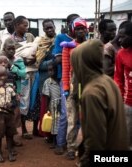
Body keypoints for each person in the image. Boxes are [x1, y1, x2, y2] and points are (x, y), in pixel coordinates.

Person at [71, 39, 129, 166]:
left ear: (82, 64)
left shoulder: (92, 92)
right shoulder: (107, 81)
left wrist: (88, 159)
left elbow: (95, 138)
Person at [52, 13, 79, 155]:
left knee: (77, 114)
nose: (79, 27)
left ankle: (72, 143)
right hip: (65, 78)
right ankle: (60, 143)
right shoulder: (61, 39)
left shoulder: (82, 39)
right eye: (75, 23)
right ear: (69, 25)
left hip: (80, 81)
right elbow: (57, 59)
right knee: (65, 113)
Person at [62, 17, 87, 160]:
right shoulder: (68, 47)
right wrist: (66, 87)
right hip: (72, 85)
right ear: (73, 30)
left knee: (86, 119)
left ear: (86, 29)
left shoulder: (91, 46)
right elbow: (65, 69)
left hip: (87, 85)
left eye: (82, 28)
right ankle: (71, 147)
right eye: (77, 29)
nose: (80, 31)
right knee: (72, 119)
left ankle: (84, 146)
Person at [0, 66, 17, 163]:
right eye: (0, 76)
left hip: (9, 114)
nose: (2, 78)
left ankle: (10, 152)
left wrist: (12, 104)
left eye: (4, 75)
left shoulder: (10, 87)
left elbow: (14, 100)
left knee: (10, 134)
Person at [36, 19, 56, 137]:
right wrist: (53, 61)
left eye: (51, 27)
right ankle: (47, 133)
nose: (49, 30)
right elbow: (40, 65)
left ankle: (56, 133)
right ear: (43, 30)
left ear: (54, 27)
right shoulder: (41, 43)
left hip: (57, 80)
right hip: (45, 81)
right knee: (47, 108)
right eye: (47, 28)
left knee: (57, 107)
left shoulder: (59, 41)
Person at [114, 22, 132, 150]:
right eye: (118, 36)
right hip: (128, 103)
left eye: (123, 36)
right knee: (126, 140)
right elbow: (118, 78)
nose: (119, 40)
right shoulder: (121, 54)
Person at [42, 63, 61, 149]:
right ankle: (54, 142)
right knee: (54, 123)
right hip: (53, 105)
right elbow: (47, 96)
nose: (51, 72)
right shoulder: (48, 82)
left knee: (61, 122)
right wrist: (47, 108)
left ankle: (61, 141)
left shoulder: (61, 81)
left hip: (62, 104)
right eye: (49, 70)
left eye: (53, 70)